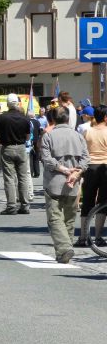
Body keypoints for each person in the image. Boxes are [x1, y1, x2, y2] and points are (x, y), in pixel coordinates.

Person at [40, 106, 89, 263]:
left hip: (55, 181)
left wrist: (64, 169)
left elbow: (47, 159)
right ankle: (66, 249)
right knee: (69, 217)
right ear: (68, 119)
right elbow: (85, 158)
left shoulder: (48, 136)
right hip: (73, 183)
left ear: (53, 119)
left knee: (54, 217)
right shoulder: (78, 136)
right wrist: (76, 172)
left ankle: (64, 248)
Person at [74, 105, 107, 247]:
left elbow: (81, 152)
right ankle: (98, 236)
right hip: (105, 167)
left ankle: (82, 237)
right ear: (105, 117)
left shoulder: (87, 132)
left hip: (90, 167)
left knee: (87, 201)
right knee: (103, 202)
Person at [0, 93, 31, 215]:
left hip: (7, 148)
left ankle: (11, 206)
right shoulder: (24, 118)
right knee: (23, 177)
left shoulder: (2, 118)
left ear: (7, 104)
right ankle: (25, 205)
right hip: (21, 148)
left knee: (9, 178)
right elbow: (27, 137)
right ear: (17, 103)